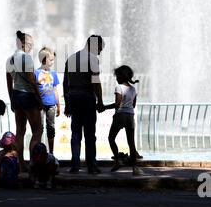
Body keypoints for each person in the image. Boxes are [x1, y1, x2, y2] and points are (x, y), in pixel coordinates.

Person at [63, 35, 105, 174]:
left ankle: (75, 165)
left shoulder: (72, 58)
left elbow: (65, 83)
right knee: (89, 133)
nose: (100, 51)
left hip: (73, 98)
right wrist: (100, 100)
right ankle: (91, 165)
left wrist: (67, 104)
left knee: (75, 133)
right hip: (87, 97)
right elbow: (95, 82)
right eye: (99, 48)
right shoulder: (92, 59)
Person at [6, 30, 43, 171]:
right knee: (37, 130)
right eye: (30, 44)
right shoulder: (26, 58)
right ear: (23, 44)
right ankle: (34, 163)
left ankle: (21, 164)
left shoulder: (9, 59)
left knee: (20, 131)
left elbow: (9, 83)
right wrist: (40, 99)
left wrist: (12, 100)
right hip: (28, 96)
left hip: (16, 96)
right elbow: (32, 81)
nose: (31, 47)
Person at [102, 65, 143, 175]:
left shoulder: (119, 88)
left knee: (111, 138)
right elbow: (133, 105)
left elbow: (117, 104)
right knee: (131, 143)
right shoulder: (133, 89)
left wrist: (104, 107)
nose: (116, 78)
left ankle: (118, 160)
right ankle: (135, 168)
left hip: (120, 116)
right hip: (130, 116)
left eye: (117, 76)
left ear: (122, 76)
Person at [34, 47, 60, 154]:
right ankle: (38, 152)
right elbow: (33, 89)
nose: (52, 62)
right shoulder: (35, 73)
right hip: (39, 105)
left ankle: (51, 152)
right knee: (39, 128)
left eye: (53, 59)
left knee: (51, 128)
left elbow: (55, 89)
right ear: (44, 59)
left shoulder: (53, 73)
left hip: (51, 105)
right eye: (51, 59)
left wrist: (58, 105)